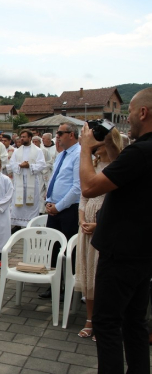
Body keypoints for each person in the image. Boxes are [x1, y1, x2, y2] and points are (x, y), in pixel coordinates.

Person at [80, 88, 152, 373]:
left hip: (120, 253)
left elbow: (89, 186)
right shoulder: (141, 153)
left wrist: (85, 148)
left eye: (131, 112)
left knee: (107, 323)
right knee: (135, 322)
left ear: (143, 113)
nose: (128, 118)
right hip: (143, 253)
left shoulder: (140, 151)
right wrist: (110, 144)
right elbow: (125, 174)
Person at [75, 128, 122, 340]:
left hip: (105, 224)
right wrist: (82, 219)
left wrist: (98, 224)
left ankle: (104, 321)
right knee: (87, 274)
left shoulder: (117, 167)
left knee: (100, 275)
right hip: (87, 226)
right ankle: (90, 319)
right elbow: (84, 196)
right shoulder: (91, 166)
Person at [39, 122, 81, 300]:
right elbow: (56, 180)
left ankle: (68, 287)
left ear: (71, 135)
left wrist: (59, 206)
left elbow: (77, 188)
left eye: (60, 133)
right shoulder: (61, 154)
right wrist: (49, 201)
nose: (57, 137)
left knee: (68, 251)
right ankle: (54, 285)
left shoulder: (79, 154)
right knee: (54, 248)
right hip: (54, 208)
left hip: (68, 209)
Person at [10, 130, 46, 228]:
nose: (22, 139)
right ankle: (18, 226)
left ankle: (31, 226)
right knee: (18, 206)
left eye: (24, 137)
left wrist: (29, 166)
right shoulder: (17, 151)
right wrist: (20, 165)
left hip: (32, 183)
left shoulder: (38, 151)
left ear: (30, 138)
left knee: (31, 204)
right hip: (19, 183)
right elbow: (12, 164)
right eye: (21, 137)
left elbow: (42, 165)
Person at [32, 136, 53, 213]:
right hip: (35, 174)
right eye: (33, 142)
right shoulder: (31, 151)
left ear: (40, 142)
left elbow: (50, 162)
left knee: (42, 192)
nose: (34, 143)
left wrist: (41, 167)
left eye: (36, 142)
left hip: (44, 174)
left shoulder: (44, 151)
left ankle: (42, 210)